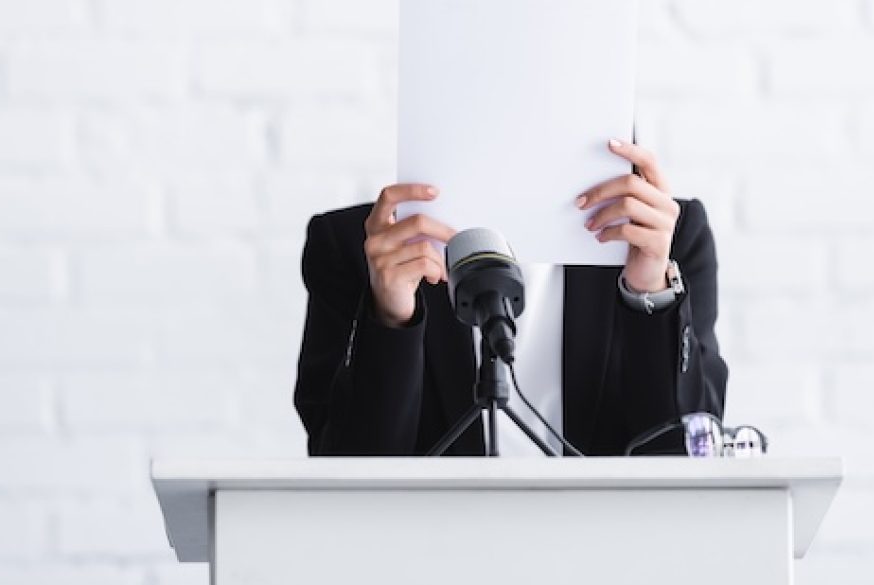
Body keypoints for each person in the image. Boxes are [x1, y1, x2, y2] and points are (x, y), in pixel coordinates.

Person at [294, 139, 727, 456]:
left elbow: (687, 455)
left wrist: (648, 292)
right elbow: (343, 473)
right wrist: (391, 317)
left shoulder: (666, 237)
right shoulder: (362, 248)